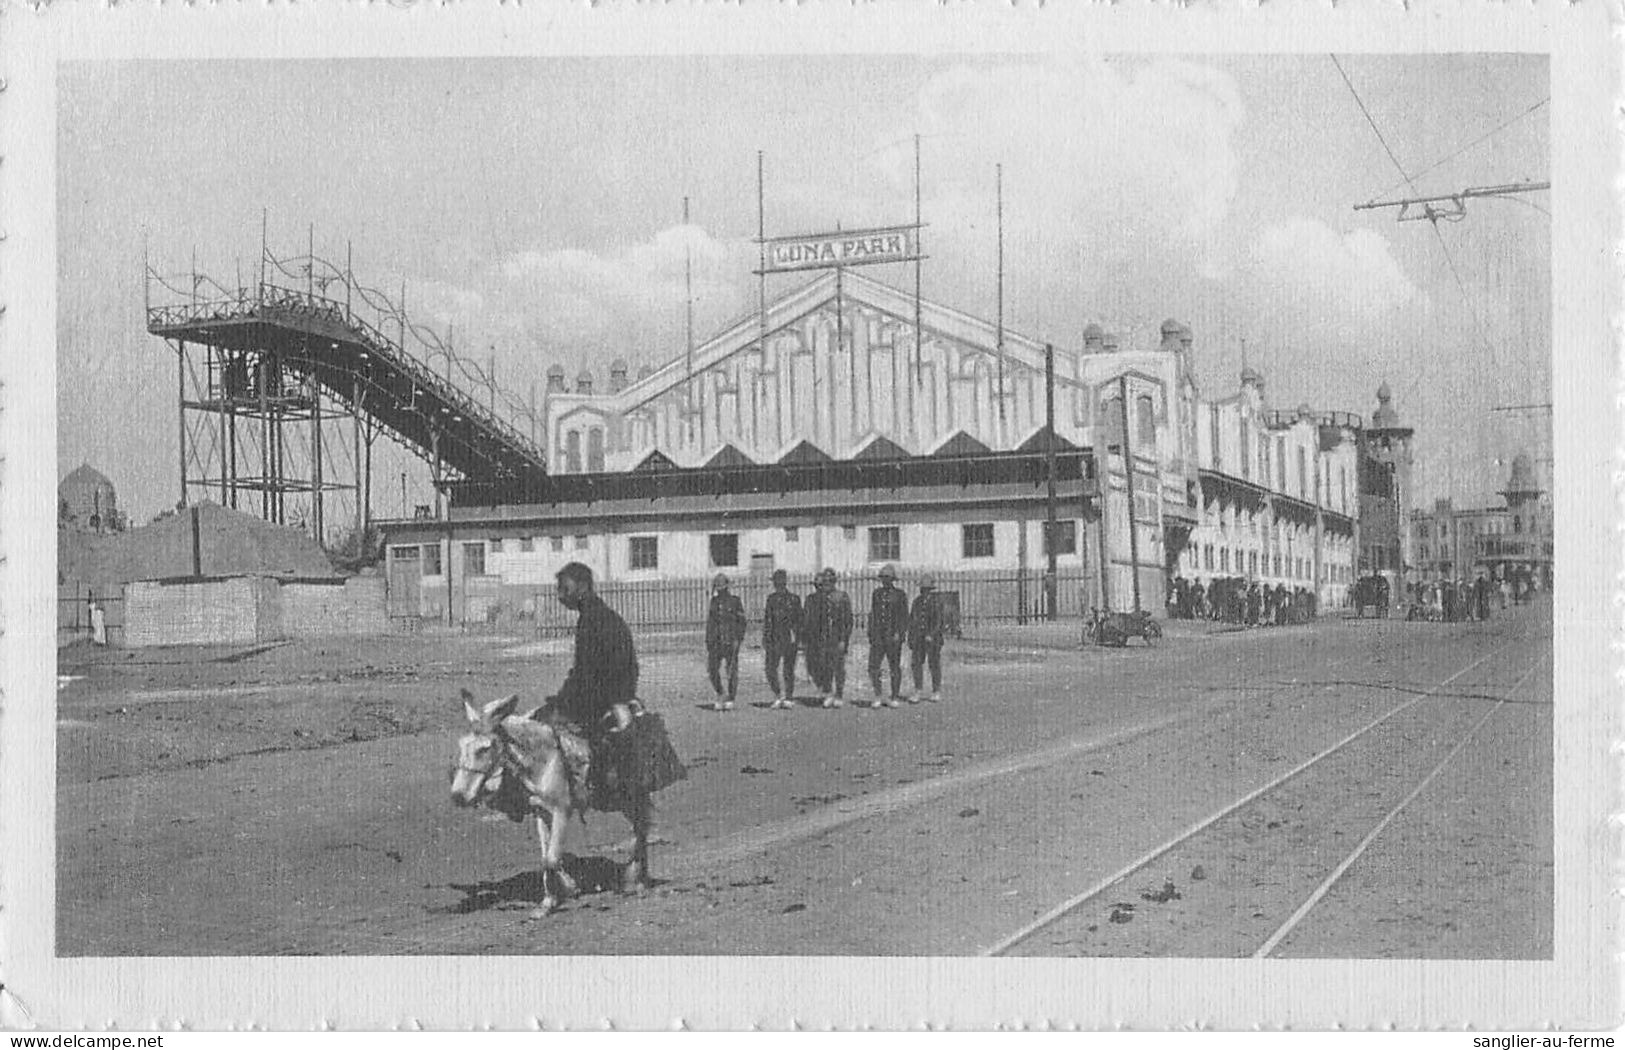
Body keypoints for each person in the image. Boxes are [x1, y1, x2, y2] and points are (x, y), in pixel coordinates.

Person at [539, 562, 638, 794]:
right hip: (609, 688)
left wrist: (565, 699)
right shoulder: (595, 614)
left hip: (609, 692)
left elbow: (587, 671)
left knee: (552, 724)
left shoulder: (594, 618)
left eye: (565, 589)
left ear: (582, 587)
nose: (560, 596)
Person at [802, 568, 853, 709]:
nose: (827, 584)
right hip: (823, 638)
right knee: (825, 667)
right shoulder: (820, 599)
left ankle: (839, 695)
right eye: (825, 582)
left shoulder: (842, 596)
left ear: (834, 581)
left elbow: (847, 621)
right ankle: (829, 693)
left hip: (837, 637)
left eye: (830, 581)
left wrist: (844, 639)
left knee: (838, 667)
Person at [866, 564, 910, 708]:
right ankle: (878, 695)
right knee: (873, 666)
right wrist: (871, 633)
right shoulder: (876, 594)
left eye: (888, 578)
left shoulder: (900, 594)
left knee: (894, 667)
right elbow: (874, 614)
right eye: (883, 578)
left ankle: (895, 696)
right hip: (878, 636)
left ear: (892, 579)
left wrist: (900, 633)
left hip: (893, 635)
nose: (885, 581)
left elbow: (904, 617)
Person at [705, 573, 747, 711]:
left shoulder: (735, 601)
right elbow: (710, 623)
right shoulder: (714, 602)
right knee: (712, 670)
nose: (720, 590)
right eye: (718, 588)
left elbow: (742, 622)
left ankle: (731, 697)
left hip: (731, 640)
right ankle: (720, 693)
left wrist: (738, 639)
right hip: (716, 642)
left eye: (722, 588)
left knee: (731, 670)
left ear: (727, 587)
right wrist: (708, 640)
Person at [762, 569, 802, 710]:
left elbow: (799, 620)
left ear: (785, 583)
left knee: (788, 669)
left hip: (789, 638)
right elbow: (768, 620)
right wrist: (766, 638)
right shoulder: (771, 599)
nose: (777, 585)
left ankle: (789, 697)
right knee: (770, 668)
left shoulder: (794, 599)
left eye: (780, 582)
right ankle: (778, 695)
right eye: (776, 582)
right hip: (774, 638)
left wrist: (798, 638)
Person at [908, 575, 946, 702]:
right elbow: (912, 619)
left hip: (933, 639)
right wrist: (911, 637)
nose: (924, 591)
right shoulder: (916, 602)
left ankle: (936, 691)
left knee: (934, 664)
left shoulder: (936, 602)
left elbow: (939, 621)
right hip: (919, 638)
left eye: (926, 589)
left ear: (930, 589)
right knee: (917, 664)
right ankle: (918, 690)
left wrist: (931, 634)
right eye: (922, 589)